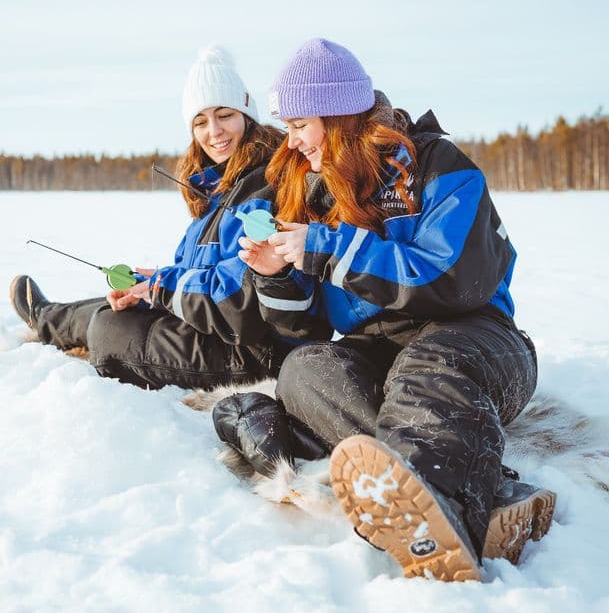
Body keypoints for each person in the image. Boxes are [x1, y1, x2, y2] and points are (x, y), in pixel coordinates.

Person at [216, 38, 556, 581]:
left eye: (300, 124)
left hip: (476, 343)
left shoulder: (438, 166)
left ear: (338, 119)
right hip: (379, 348)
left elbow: (454, 279)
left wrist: (329, 248)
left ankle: (443, 520)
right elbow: (305, 329)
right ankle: (459, 486)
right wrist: (276, 275)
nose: (292, 140)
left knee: (427, 366)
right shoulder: (315, 190)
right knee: (305, 369)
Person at [9, 46, 289, 390]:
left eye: (224, 115)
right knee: (121, 306)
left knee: (109, 328)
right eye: (201, 122)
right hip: (215, 328)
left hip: (252, 351)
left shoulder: (265, 187)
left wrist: (162, 288)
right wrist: (151, 287)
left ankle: (51, 321)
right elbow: (195, 273)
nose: (214, 131)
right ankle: (47, 318)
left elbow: (240, 294)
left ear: (246, 115)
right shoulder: (216, 191)